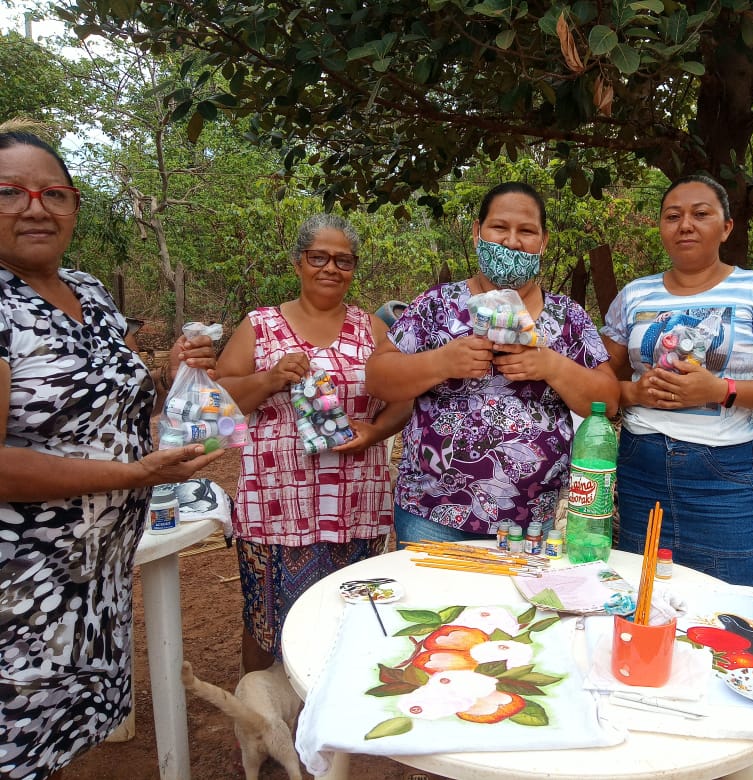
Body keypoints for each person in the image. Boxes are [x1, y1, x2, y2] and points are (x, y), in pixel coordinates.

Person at [0, 122, 224, 778]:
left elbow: (127, 393)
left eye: (54, 193)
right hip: (22, 588)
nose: (35, 207)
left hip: (94, 579)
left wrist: (171, 369)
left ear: (73, 206)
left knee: (61, 745)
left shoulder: (91, 294)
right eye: (10, 192)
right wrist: (130, 473)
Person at [365, 181, 619, 545]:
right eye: (499, 228)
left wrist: (551, 366)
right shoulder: (438, 305)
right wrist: (442, 362)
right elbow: (377, 378)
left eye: (526, 231)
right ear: (477, 233)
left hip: (531, 523)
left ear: (543, 242)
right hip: (433, 513)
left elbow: (608, 401)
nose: (512, 241)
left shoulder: (567, 317)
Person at [216, 213, 412, 673]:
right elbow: (218, 403)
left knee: (349, 618)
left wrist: (376, 431)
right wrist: (268, 379)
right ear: (298, 262)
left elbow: (406, 397)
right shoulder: (260, 326)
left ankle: (331, 716)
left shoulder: (372, 331)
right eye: (318, 257)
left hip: (354, 502)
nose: (330, 268)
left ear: (354, 267)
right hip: (275, 503)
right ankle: (264, 722)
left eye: (342, 260)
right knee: (265, 620)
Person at [601, 175, 753, 586]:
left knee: (727, 597)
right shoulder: (634, 295)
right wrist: (634, 392)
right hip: (640, 461)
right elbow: (598, 381)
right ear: (661, 227)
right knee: (639, 591)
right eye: (672, 216)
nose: (685, 225)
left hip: (721, 472)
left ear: (726, 227)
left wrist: (722, 390)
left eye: (701, 214)